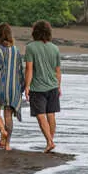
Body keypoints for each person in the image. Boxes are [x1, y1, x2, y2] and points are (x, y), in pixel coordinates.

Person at [23, 20, 62, 153]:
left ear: (35, 32)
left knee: (40, 115)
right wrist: (59, 86)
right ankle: (50, 141)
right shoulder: (55, 48)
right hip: (53, 86)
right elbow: (58, 70)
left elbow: (29, 69)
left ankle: (50, 142)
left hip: (37, 88)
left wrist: (26, 86)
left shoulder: (30, 47)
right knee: (51, 114)